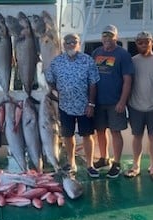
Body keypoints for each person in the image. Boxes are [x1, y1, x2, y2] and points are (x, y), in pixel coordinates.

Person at [45, 34, 100, 178]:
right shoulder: (57, 62)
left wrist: (91, 104)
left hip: (84, 106)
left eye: (74, 42)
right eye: (67, 42)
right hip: (65, 106)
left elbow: (93, 84)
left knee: (87, 135)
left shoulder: (87, 60)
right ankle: (71, 163)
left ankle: (90, 165)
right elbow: (49, 79)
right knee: (67, 136)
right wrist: (55, 91)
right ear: (63, 45)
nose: (70, 44)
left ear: (79, 44)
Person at [91, 24, 134, 178]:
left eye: (110, 35)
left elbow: (127, 80)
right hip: (98, 102)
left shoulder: (123, 54)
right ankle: (104, 159)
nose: (107, 38)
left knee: (115, 131)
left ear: (115, 36)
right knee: (100, 131)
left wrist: (122, 101)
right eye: (104, 35)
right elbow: (91, 77)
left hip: (115, 101)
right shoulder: (96, 52)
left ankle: (116, 162)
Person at [124, 31, 153, 181]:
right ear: (136, 44)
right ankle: (136, 166)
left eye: (146, 42)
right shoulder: (132, 61)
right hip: (135, 106)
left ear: (151, 42)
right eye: (140, 42)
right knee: (137, 136)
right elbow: (127, 82)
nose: (143, 45)